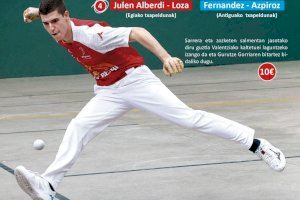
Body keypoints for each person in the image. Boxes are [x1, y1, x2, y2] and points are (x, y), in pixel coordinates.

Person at [15, 0, 286, 199]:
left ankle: (258, 145)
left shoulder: (92, 33)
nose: (51, 28)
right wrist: (31, 13)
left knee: (189, 119)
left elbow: (137, 31)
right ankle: (48, 185)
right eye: (46, 23)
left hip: (135, 81)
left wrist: (166, 57)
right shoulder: (52, 24)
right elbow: (36, 13)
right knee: (78, 126)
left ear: (67, 16)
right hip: (109, 90)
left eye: (55, 22)